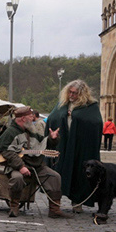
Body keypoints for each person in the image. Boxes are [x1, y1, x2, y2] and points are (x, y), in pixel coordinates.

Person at [0, 106, 73, 218]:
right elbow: (5, 151)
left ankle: (54, 209)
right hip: (16, 167)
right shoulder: (10, 132)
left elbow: (42, 144)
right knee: (17, 178)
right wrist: (20, 166)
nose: (33, 118)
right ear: (23, 118)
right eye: (30, 116)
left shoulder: (31, 130)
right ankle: (14, 206)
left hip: (36, 166)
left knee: (55, 177)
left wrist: (52, 138)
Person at [46, 80, 103, 213]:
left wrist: (76, 117)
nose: (72, 95)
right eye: (70, 92)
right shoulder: (62, 104)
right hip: (63, 145)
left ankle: (78, 202)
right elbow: (52, 119)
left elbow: (96, 123)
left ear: (82, 94)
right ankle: (55, 203)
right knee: (58, 173)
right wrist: (63, 118)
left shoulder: (90, 106)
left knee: (80, 173)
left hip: (80, 147)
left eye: (75, 93)